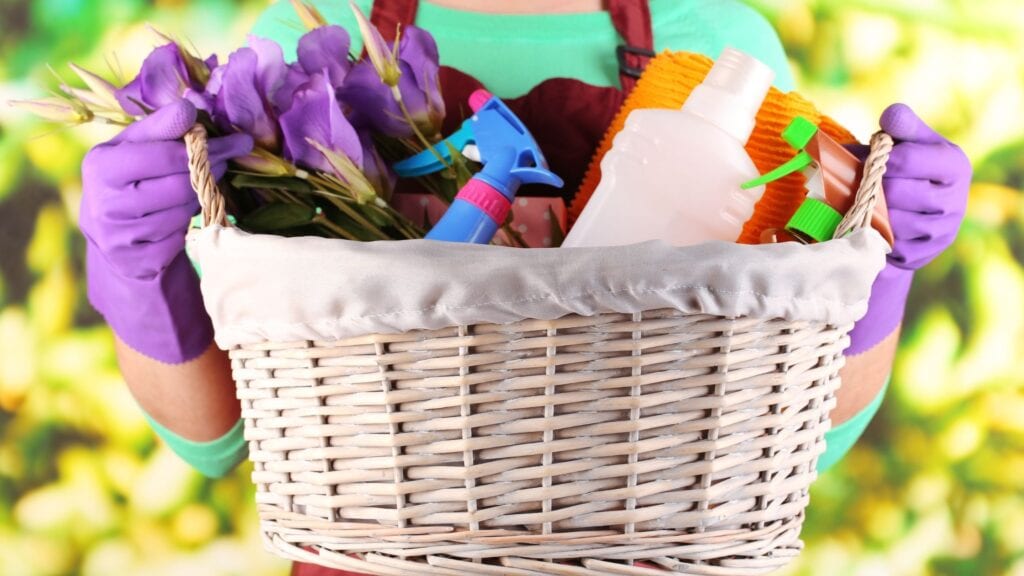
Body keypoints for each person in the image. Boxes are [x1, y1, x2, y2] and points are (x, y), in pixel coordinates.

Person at [77, 1, 972, 575]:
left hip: (658, 549)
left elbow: (798, 448)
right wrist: (136, 268)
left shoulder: (721, 40)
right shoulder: (311, 36)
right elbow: (216, 444)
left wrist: (877, 269)